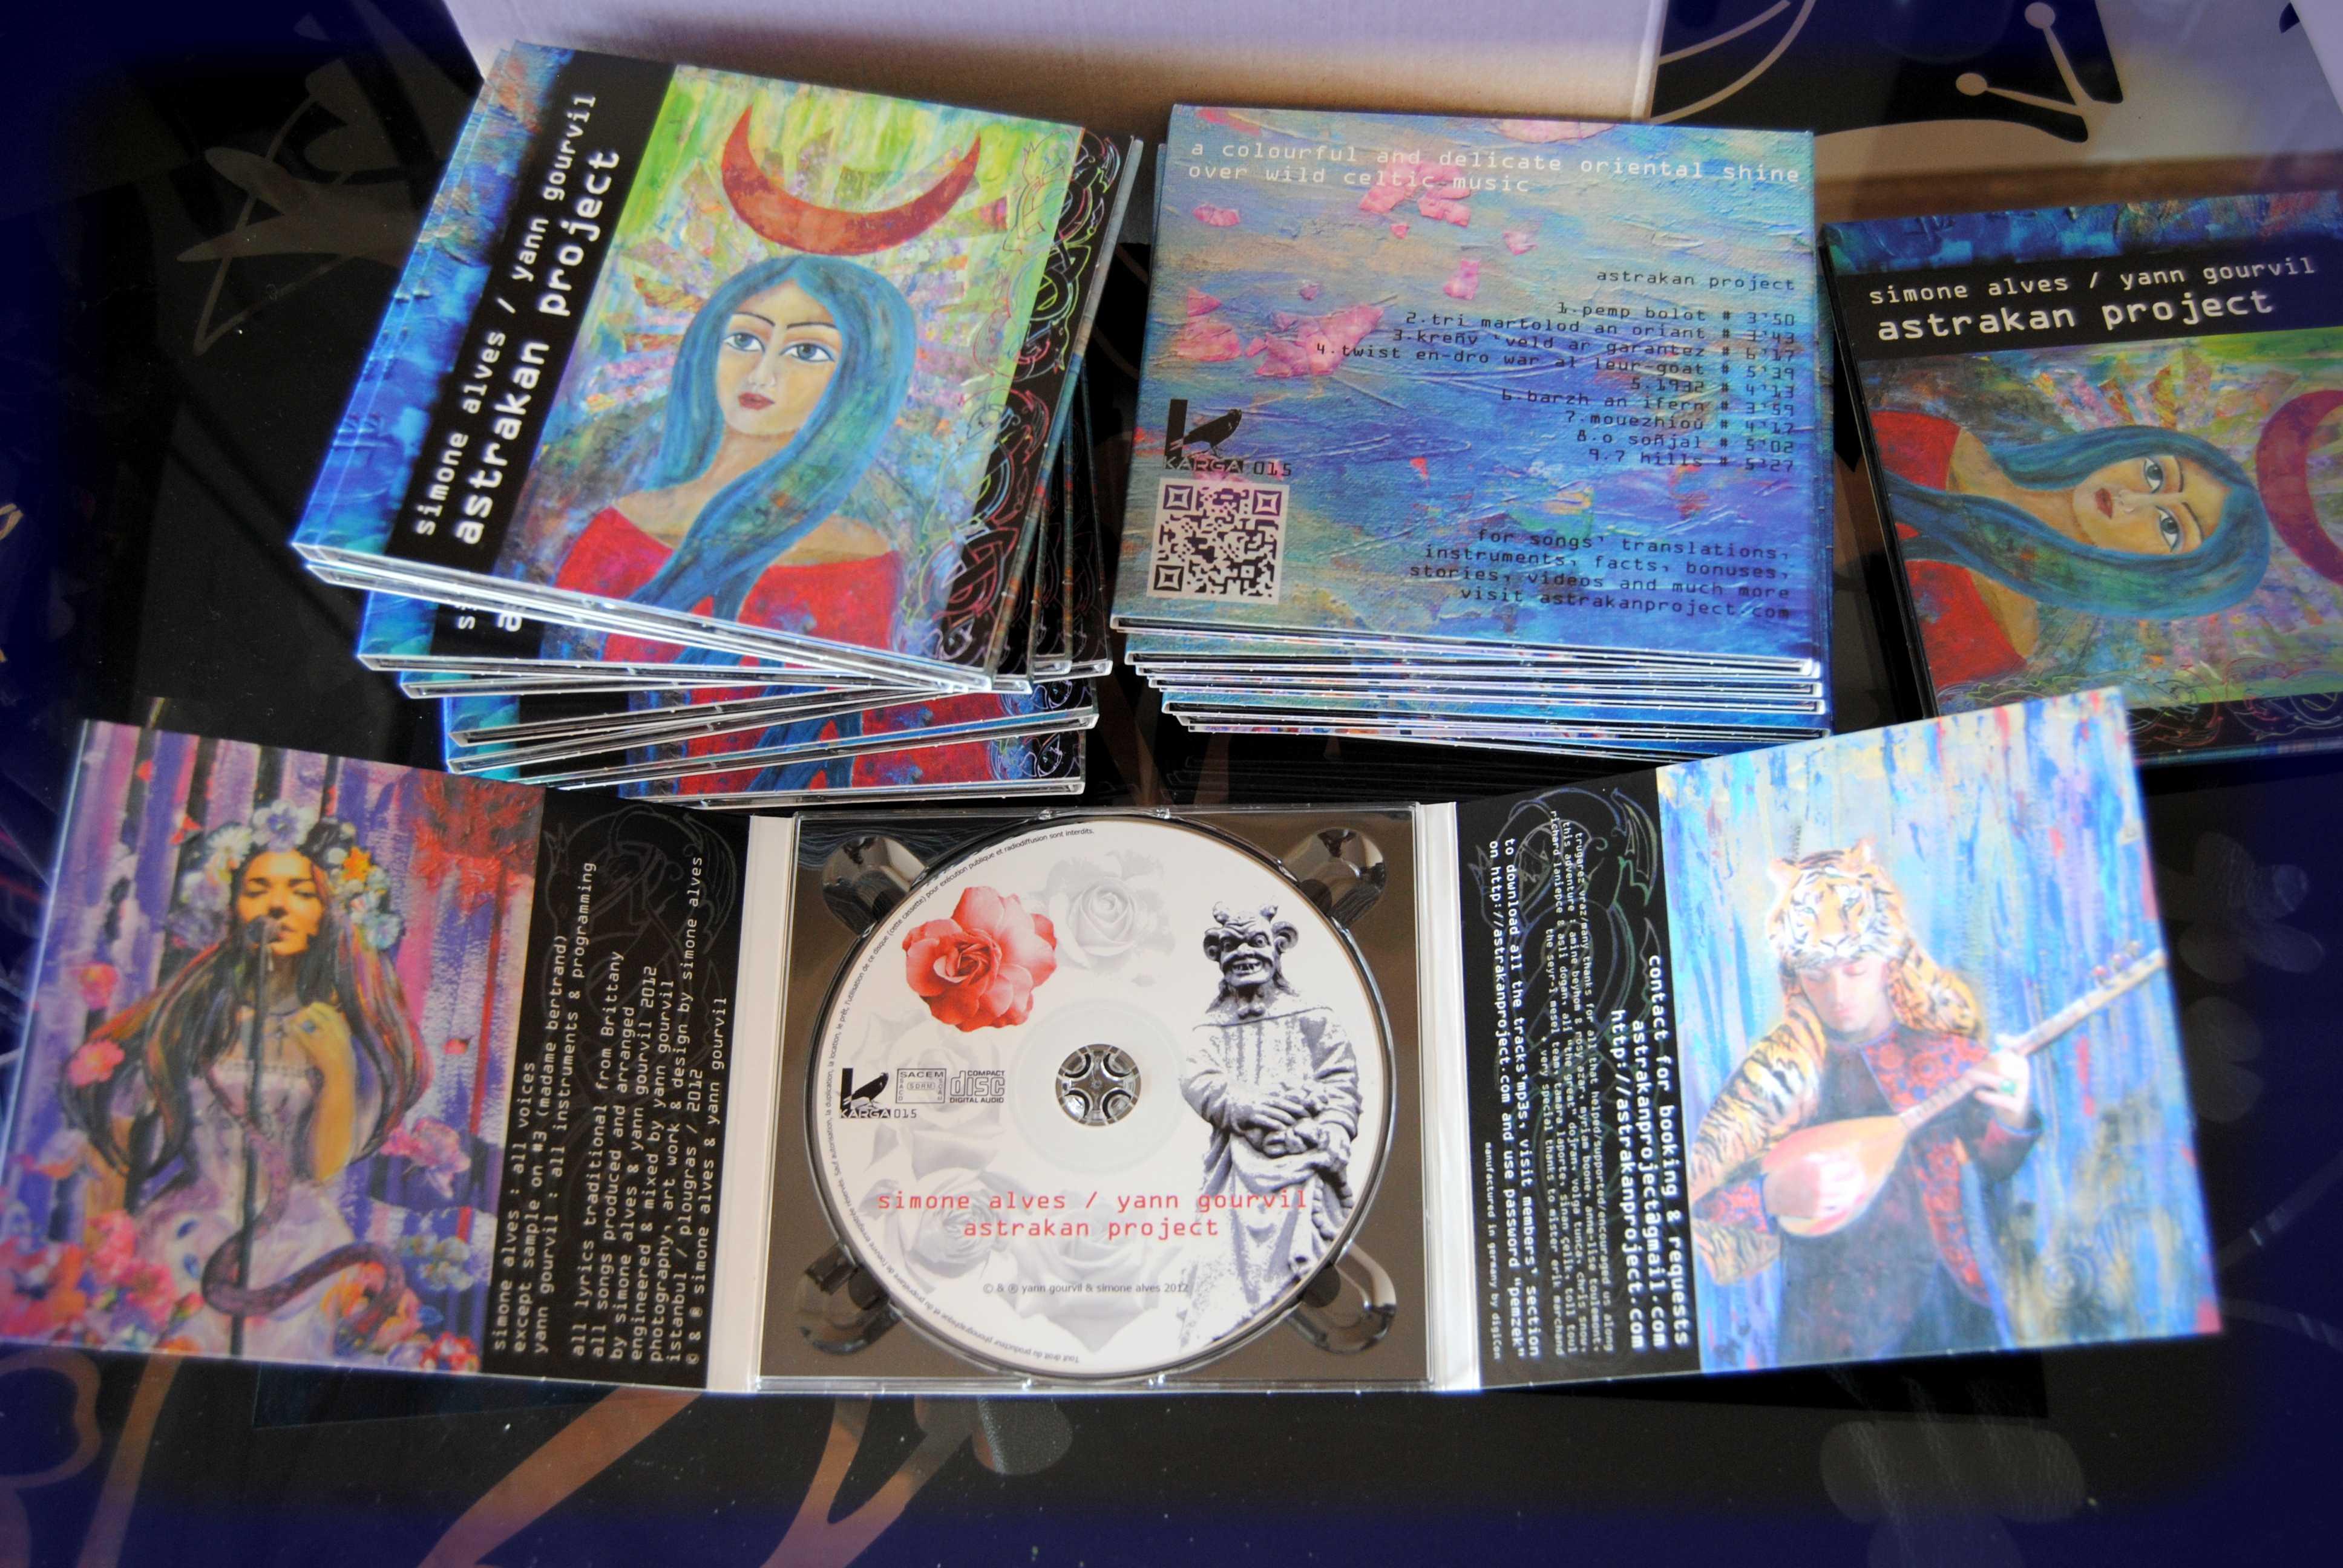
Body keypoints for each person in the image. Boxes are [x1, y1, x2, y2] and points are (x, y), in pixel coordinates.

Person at [60, 803, 427, 1358]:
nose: (277, 906)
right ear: (233, 905)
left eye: (301, 892)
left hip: (304, 1252)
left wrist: (335, 1069)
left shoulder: (339, 1030)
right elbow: (117, 1120)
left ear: (329, 911)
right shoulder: (194, 1014)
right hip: (186, 1240)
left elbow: (324, 1167)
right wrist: (104, 1233)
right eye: (258, 889)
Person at [1686, 843, 2039, 1365]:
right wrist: (1772, 1195)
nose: (1838, 993)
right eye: (1817, 974)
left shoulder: (1946, 1054)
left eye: (1854, 968)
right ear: (1795, 977)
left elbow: (1993, 1164)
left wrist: (2013, 1112)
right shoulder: (1776, 1079)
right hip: (1831, 1342)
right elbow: (1697, 1204)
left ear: (1888, 960)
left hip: (1955, 1313)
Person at [1871, 409, 2273, 687]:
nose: (2131, 500)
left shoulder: (2006, 637)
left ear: (2162, 578)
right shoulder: (1949, 446)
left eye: (2170, 527)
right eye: (2154, 474)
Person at [1179, 904, 1362, 1331]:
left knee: (1301, 1270)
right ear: (1217, 956)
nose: (1244, 954)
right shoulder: (1210, 1027)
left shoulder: (1313, 1016)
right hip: (1236, 1175)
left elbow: (1341, 1078)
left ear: (1278, 948)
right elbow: (1196, 1078)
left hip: (1304, 1166)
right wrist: (1242, 1105)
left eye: (1256, 942)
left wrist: (1334, 1128)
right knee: (1218, 1286)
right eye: (1231, 946)